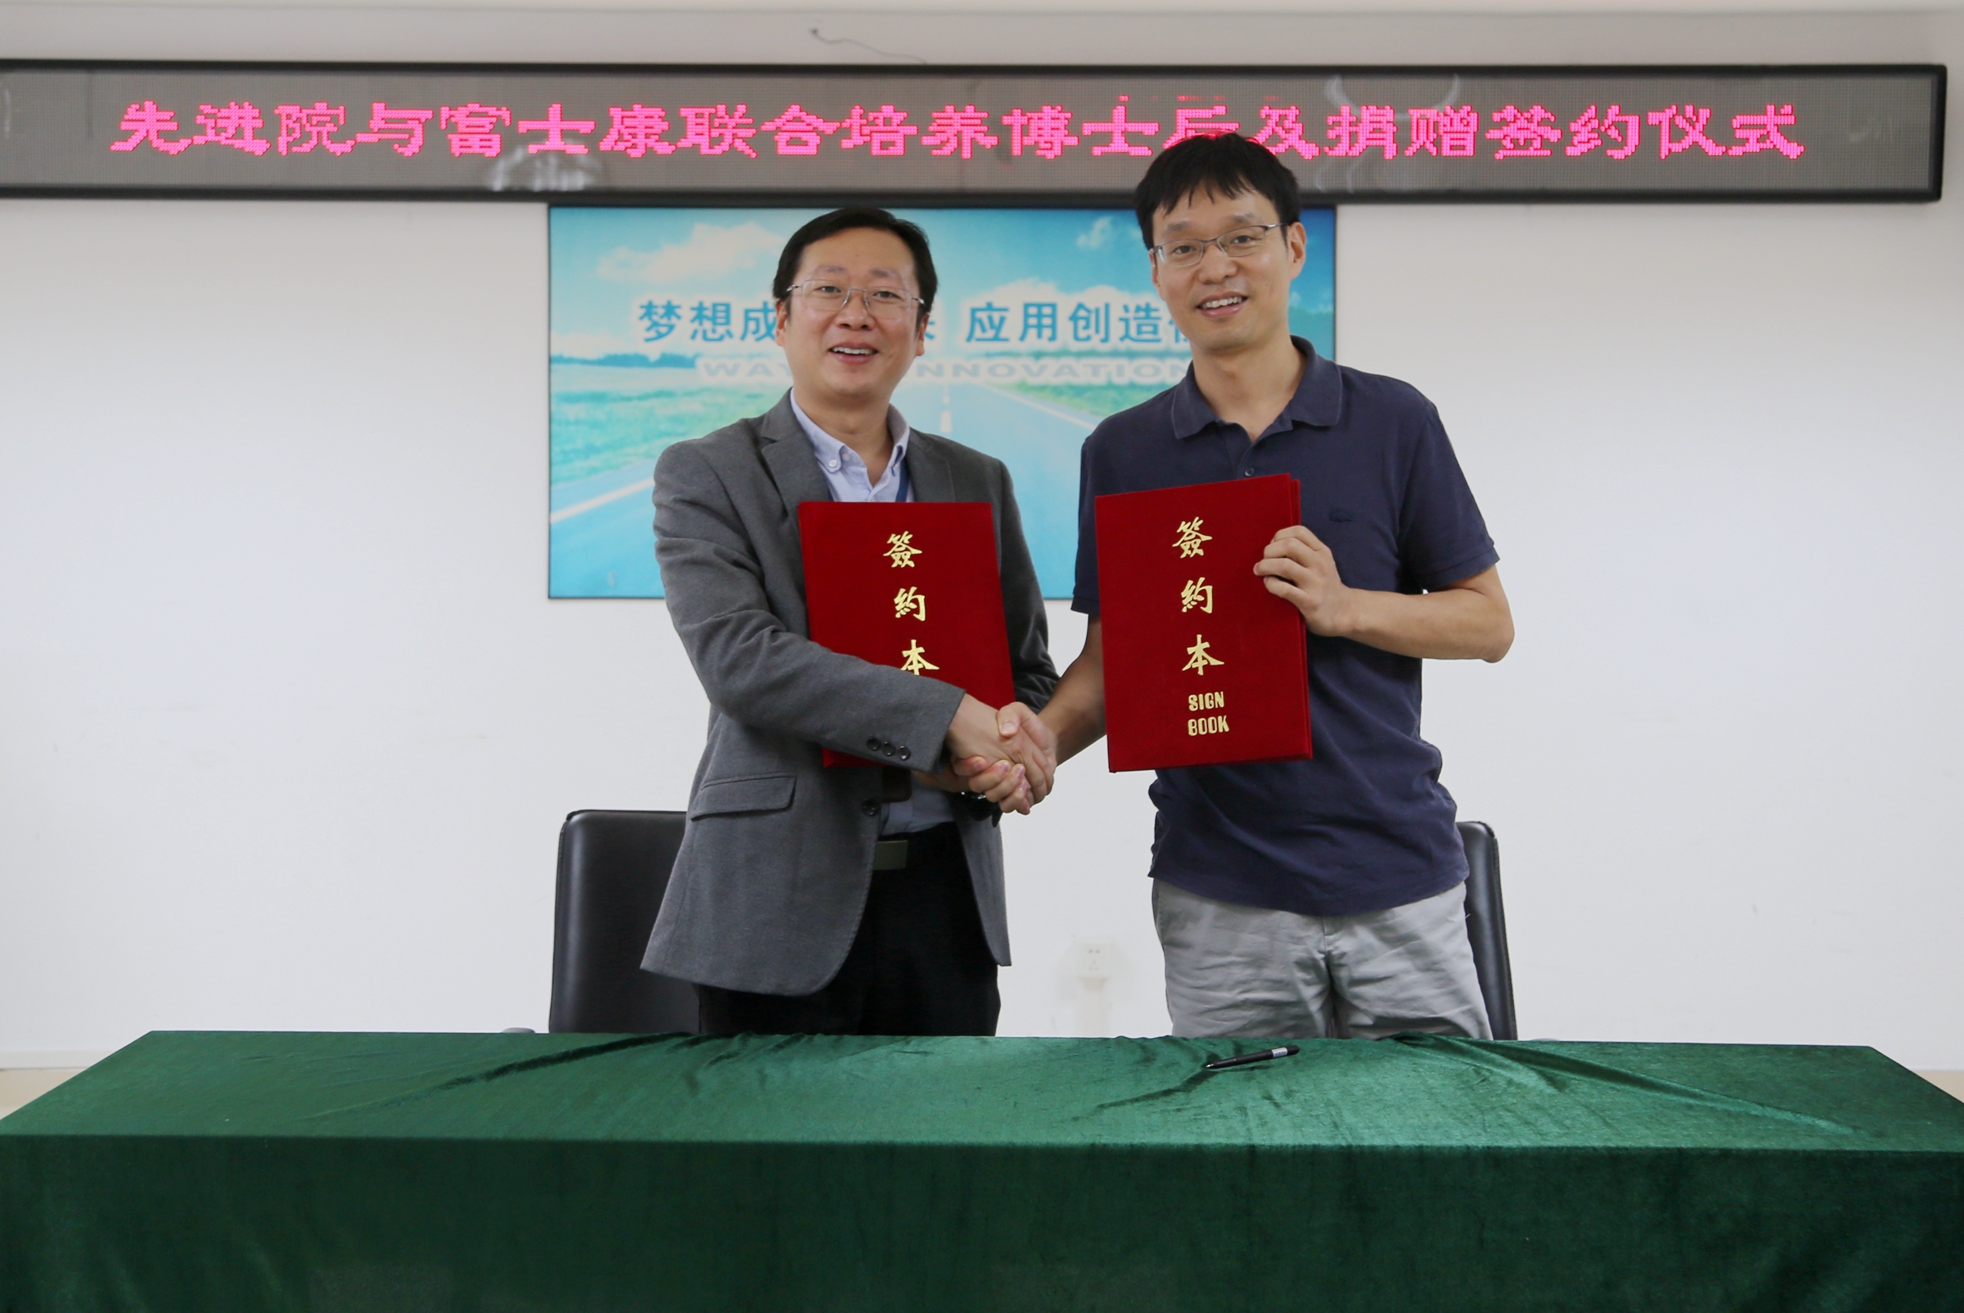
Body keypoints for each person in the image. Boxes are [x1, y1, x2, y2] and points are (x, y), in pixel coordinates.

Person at [1015, 134, 1515, 1040]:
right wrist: (1028, 746)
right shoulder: (1123, 451)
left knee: (1434, 1123)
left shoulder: (1393, 419)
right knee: (1241, 1127)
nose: (1216, 267)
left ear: (1292, 246)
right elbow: (1115, 663)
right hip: (1219, 888)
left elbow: (1487, 623)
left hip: (1396, 871)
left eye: (1242, 237)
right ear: (1156, 271)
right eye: (1184, 246)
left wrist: (1345, 607)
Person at [642, 206, 1058, 1038]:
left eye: (886, 295)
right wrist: (946, 717)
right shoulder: (709, 472)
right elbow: (742, 661)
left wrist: (1004, 750)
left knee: (939, 1124)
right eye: (829, 290)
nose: (855, 315)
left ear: (922, 329)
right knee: (766, 1127)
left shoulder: (976, 478)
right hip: (772, 898)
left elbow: (1025, 671)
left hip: (945, 898)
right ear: (781, 318)